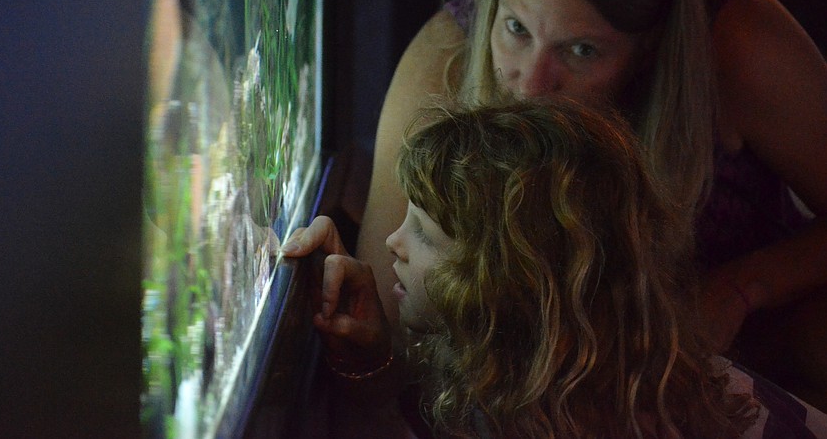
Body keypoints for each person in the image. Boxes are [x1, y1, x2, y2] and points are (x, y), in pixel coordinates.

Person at [357, 0, 827, 408]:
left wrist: (742, 289)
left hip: (749, 345)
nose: (532, 85)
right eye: (515, 28)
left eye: (581, 50)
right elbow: (383, 315)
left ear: (650, 49)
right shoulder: (445, 60)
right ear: (493, 0)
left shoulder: (735, 41)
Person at [284, 100, 827, 438]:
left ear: (507, 283)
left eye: (424, 232)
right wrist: (368, 360)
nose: (391, 242)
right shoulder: (556, 382)